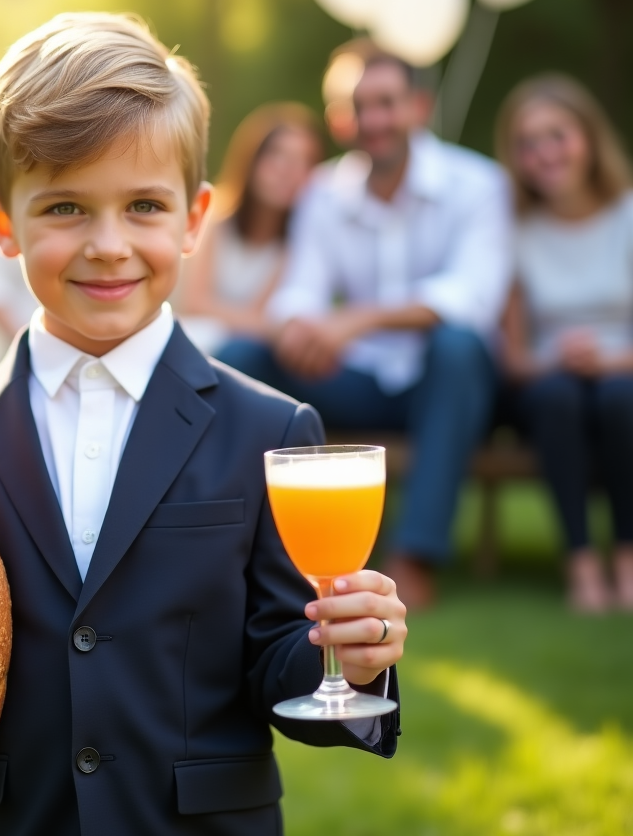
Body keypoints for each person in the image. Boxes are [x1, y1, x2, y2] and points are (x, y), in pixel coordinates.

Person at [0, 13, 407, 836]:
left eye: (143, 206)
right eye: (64, 207)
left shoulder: (270, 430)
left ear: (195, 216)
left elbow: (283, 662)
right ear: (1, 221)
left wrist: (350, 664)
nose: (107, 244)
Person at [217, 46, 512, 609]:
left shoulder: (477, 184)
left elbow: (473, 296)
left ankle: (416, 556)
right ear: (338, 120)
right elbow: (299, 289)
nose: (374, 119)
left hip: (449, 386)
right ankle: (244, 546)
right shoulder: (323, 194)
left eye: (387, 103)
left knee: (458, 345)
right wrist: (303, 329)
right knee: (243, 356)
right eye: (358, 106)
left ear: (419, 107)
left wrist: (355, 320)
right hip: (355, 377)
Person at [497, 74, 633, 612]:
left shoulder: (628, 214)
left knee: (619, 397)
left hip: (623, 373)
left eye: (558, 135)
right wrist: (555, 360)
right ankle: (580, 563)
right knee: (559, 397)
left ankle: (626, 557)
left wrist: (611, 360)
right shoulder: (515, 228)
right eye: (529, 144)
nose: (545, 153)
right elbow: (511, 355)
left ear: (589, 138)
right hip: (547, 381)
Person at [178, 103, 324, 355]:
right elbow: (194, 303)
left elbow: (259, 319)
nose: (288, 171)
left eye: (304, 161)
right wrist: (270, 327)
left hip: (235, 353)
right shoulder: (213, 216)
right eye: (279, 155)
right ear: (253, 158)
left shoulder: (294, 244)